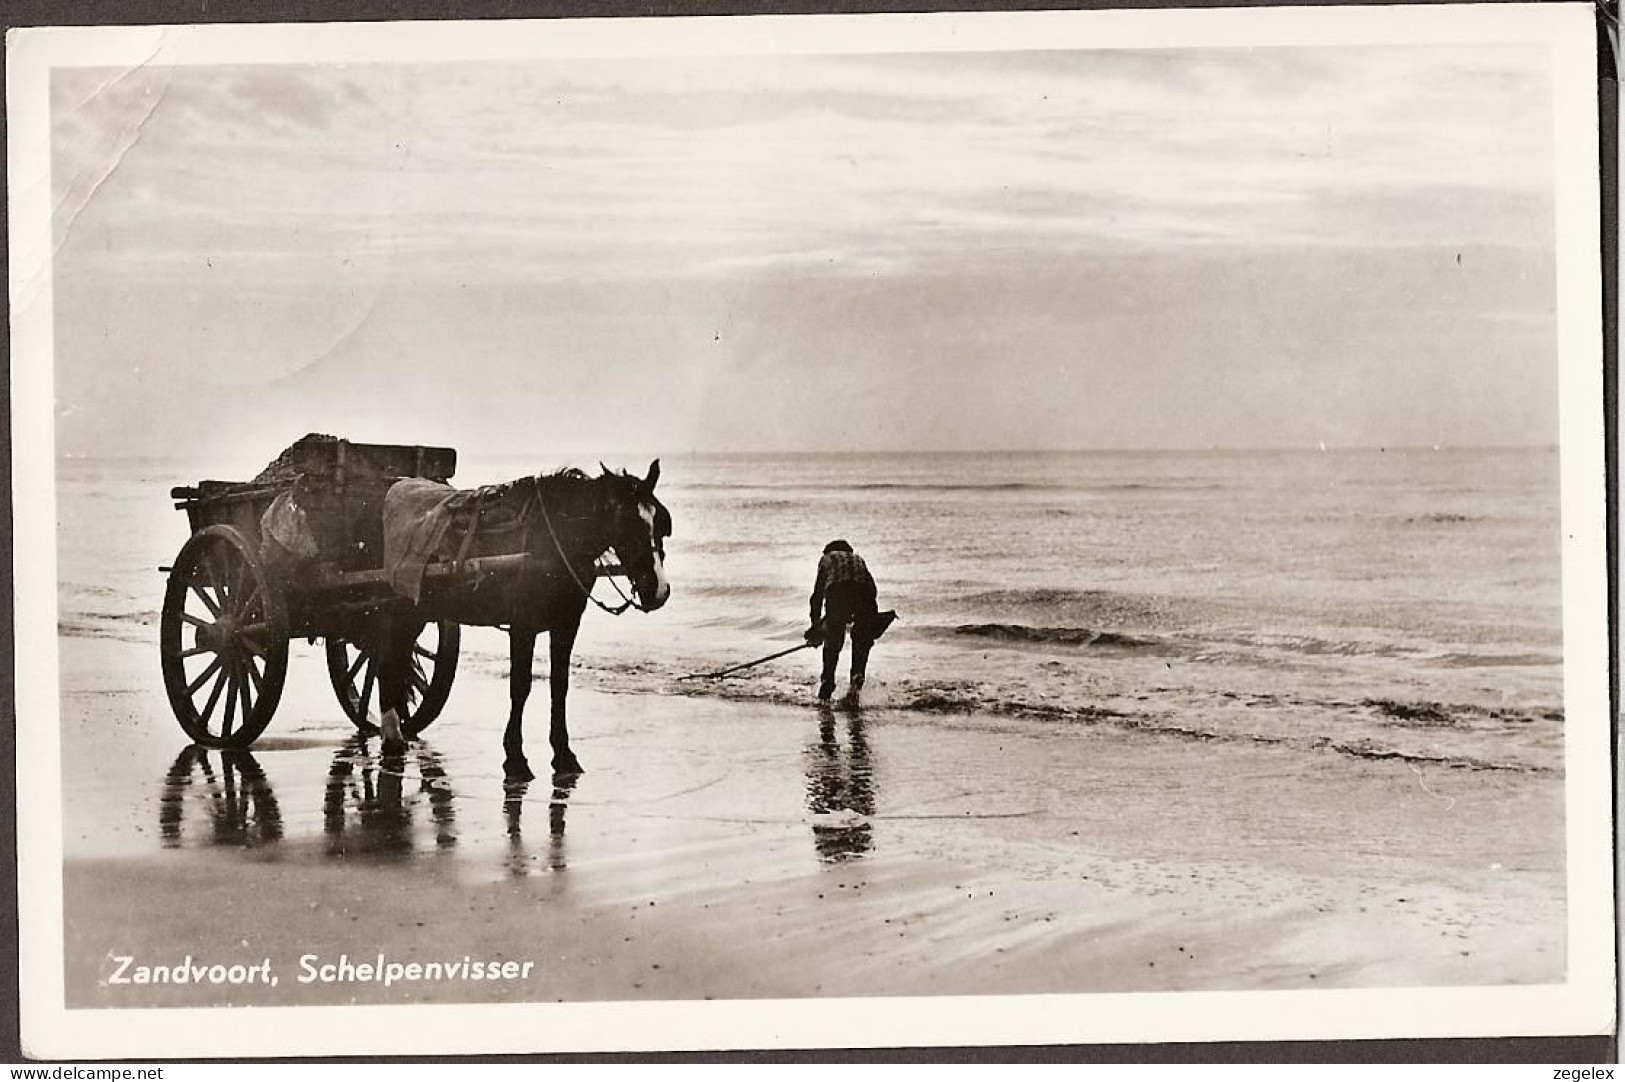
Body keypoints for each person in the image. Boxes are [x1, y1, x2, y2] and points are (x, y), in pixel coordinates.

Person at [806, 539, 882, 701]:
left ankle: (828, 682)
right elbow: (872, 590)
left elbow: (817, 597)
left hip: (838, 590)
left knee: (834, 639)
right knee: (861, 640)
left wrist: (817, 629)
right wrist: (867, 622)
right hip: (865, 593)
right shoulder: (858, 559)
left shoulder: (827, 558)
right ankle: (856, 683)